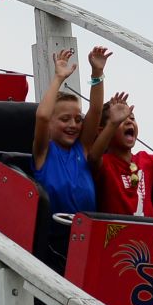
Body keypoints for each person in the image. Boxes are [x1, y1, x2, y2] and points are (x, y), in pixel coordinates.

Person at [31, 45, 111, 214]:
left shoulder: (81, 148)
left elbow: (96, 110)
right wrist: (58, 78)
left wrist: (97, 73)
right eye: (65, 119)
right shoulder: (43, 151)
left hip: (84, 232)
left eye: (78, 119)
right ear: (50, 124)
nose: (73, 125)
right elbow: (43, 116)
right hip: (53, 234)